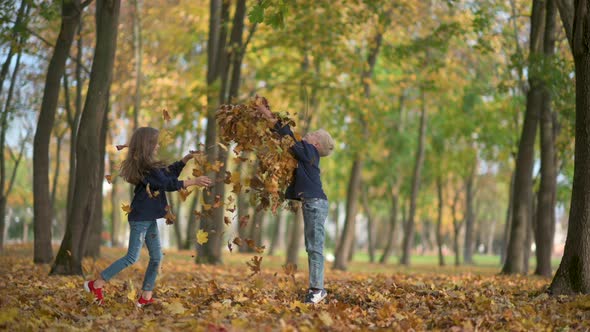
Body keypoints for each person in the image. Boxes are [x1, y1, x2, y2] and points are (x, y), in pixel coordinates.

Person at [83, 126, 212, 307]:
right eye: (155, 143)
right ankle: (95, 285)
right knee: (131, 257)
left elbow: (169, 174)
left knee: (157, 257)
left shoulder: (151, 167)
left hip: (149, 217)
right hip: (140, 218)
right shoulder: (145, 168)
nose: (158, 146)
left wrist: (187, 159)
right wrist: (194, 182)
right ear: (147, 145)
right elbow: (167, 183)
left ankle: (145, 297)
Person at [256, 100, 335, 304]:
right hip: (312, 204)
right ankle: (316, 288)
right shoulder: (306, 155)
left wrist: (268, 114)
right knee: (311, 246)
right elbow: (287, 143)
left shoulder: (310, 153)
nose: (306, 135)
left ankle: (318, 290)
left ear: (316, 145)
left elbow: (289, 139)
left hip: (316, 204)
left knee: (315, 246)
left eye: (311, 135)